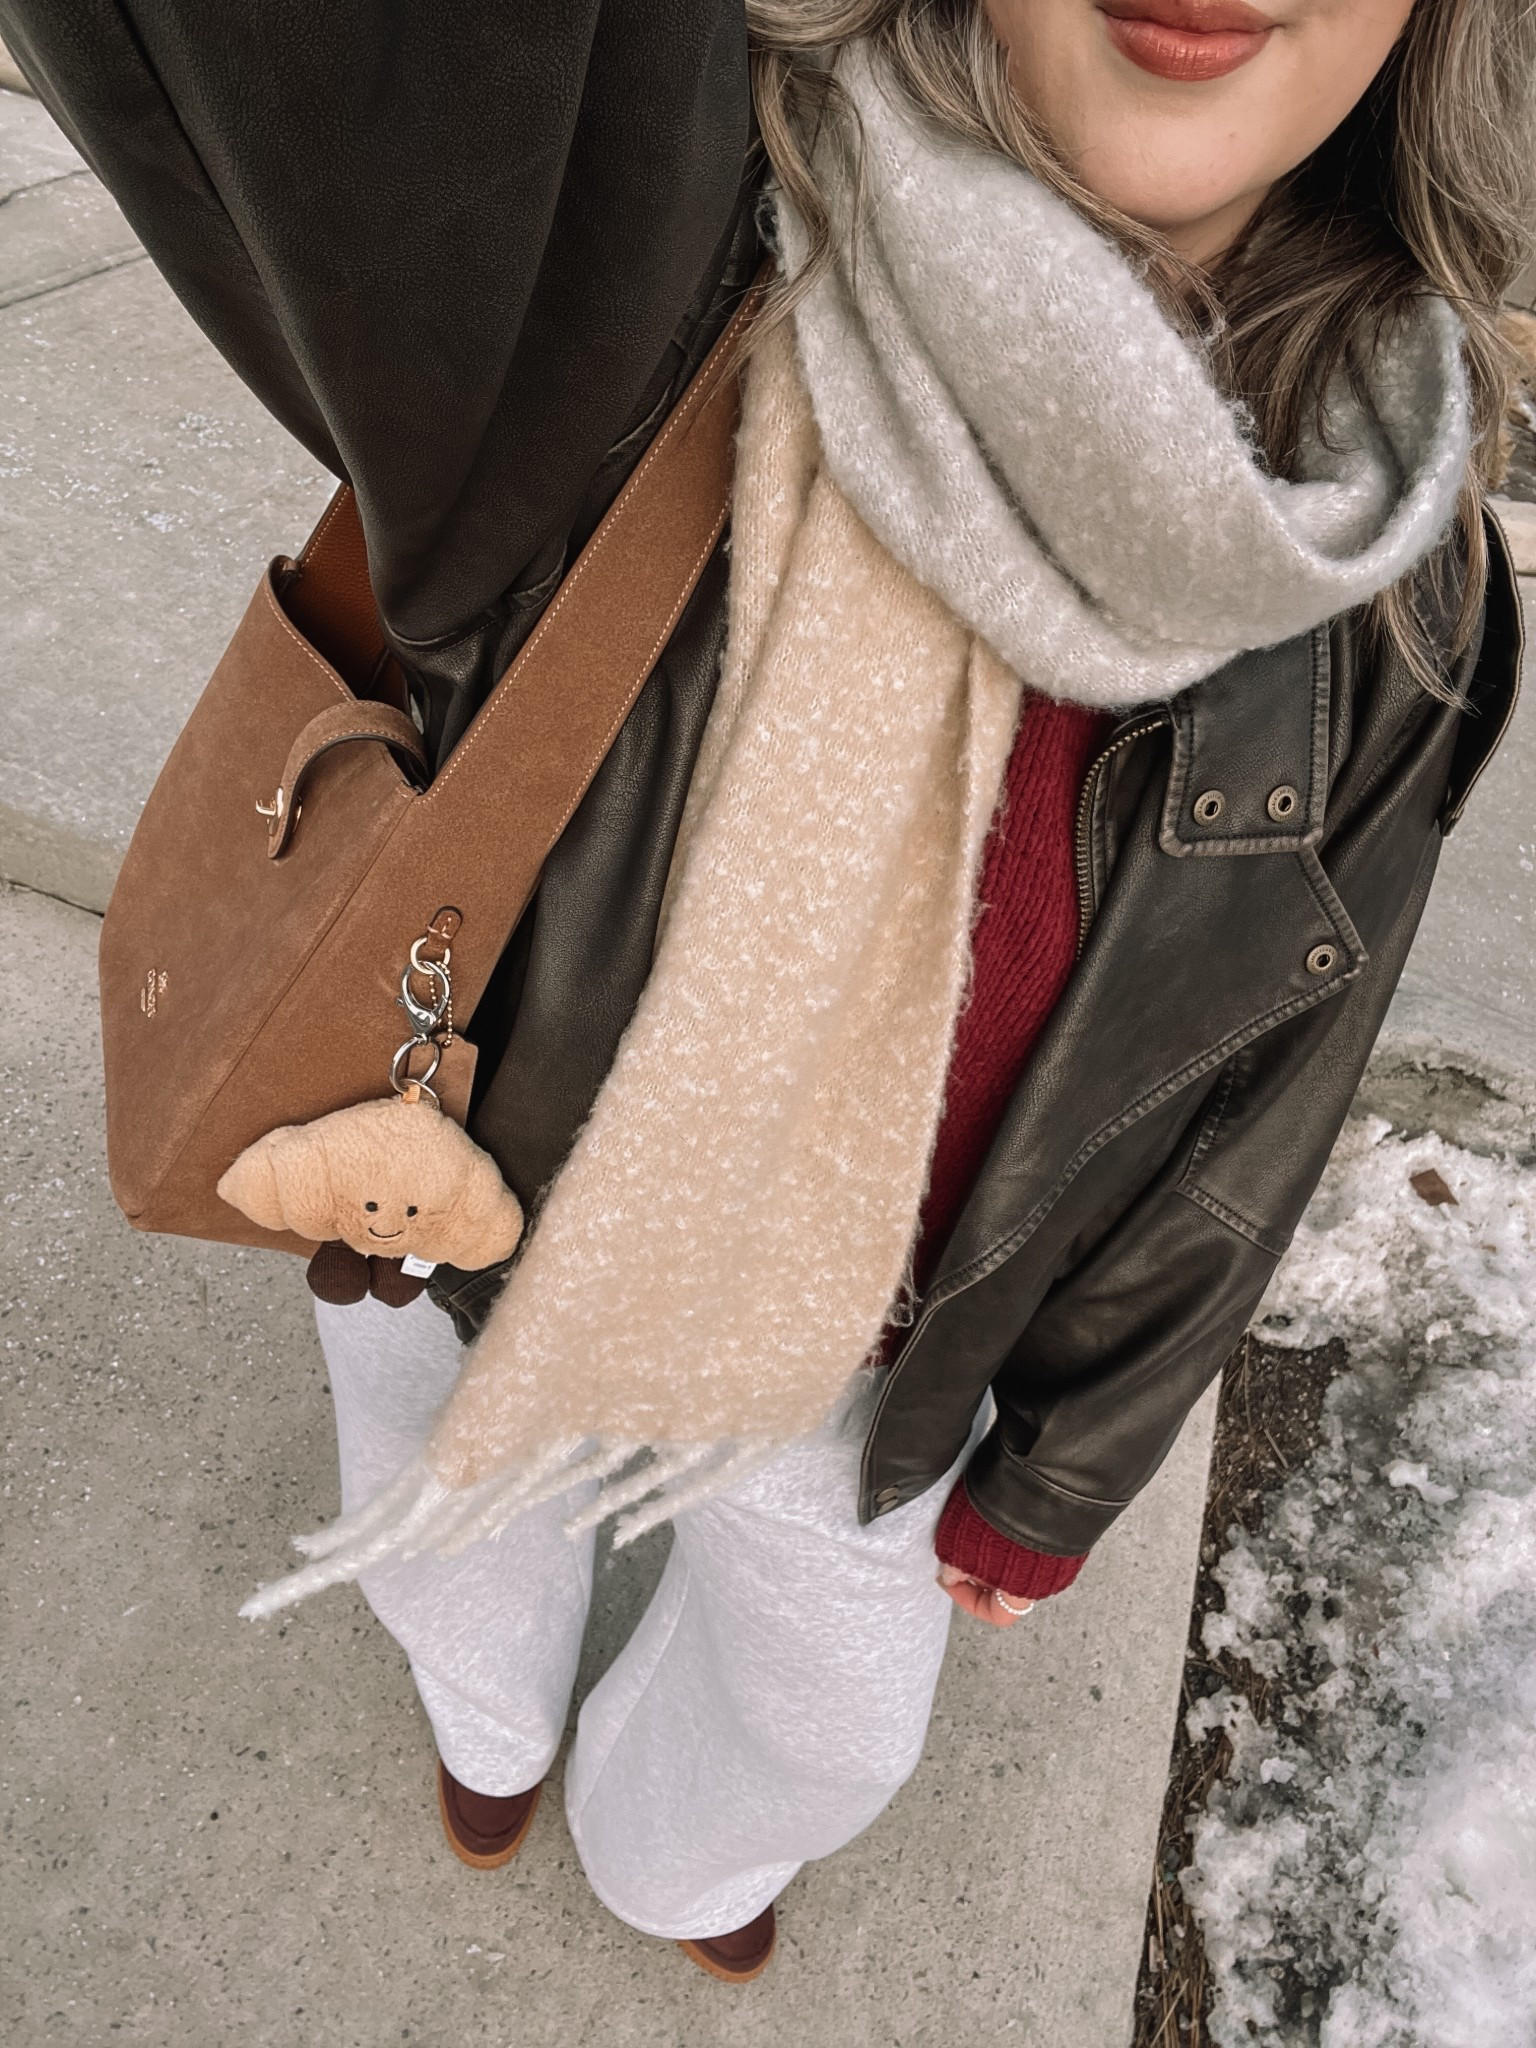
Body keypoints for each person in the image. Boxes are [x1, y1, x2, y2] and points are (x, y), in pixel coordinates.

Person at [4, 0, 1529, 1988]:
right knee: (453, 1530)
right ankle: (482, 1714)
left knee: (826, 1718)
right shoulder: (633, 273)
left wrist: (1069, 1461)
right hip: (484, 1207)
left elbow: (1268, 1085)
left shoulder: (1394, 575)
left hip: (874, 1350)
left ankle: (666, 1838)